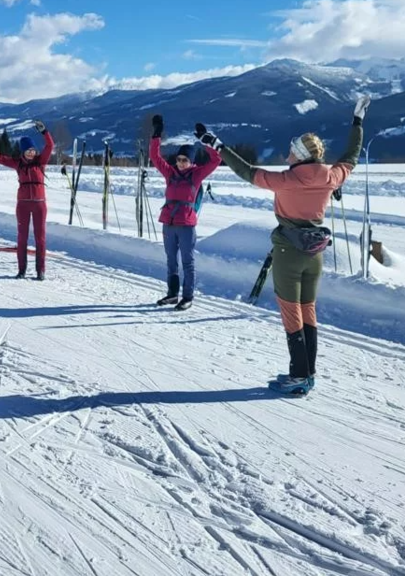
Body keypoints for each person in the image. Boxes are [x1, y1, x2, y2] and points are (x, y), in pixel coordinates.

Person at [195, 96, 370, 394]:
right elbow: (351, 156)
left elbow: (247, 172)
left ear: (300, 155)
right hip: (315, 253)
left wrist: (218, 146)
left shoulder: (287, 180)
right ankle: (308, 373)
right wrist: (357, 122)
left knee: (292, 315)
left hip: (289, 252)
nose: (287, 154)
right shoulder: (331, 177)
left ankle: (299, 376)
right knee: (308, 311)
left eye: (292, 150)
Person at [149, 114, 222, 311]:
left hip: (186, 225)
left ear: (191, 161)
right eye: (179, 159)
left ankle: (187, 296)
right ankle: (173, 294)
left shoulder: (197, 174)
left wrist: (205, 139)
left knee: (187, 261)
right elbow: (155, 157)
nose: (180, 163)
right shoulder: (170, 173)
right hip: (169, 223)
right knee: (171, 260)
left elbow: (216, 160)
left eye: (185, 160)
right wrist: (156, 135)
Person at [0, 122, 54, 280]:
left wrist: (45, 131)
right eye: (28, 151)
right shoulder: (18, 163)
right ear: (23, 152)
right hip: (23, 205)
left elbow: (50, 145)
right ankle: (22, 270)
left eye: (33, 150)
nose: (31, 153)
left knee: (40, 238)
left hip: (39, 204)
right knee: (22, 237)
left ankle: (41, 271)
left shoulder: (41, 162)